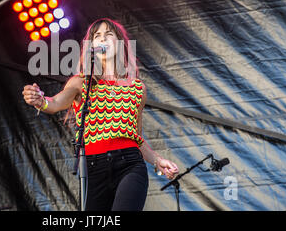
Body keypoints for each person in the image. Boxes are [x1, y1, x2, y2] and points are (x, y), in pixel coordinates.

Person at [23, 17, 179, 211]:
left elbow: (135, 137)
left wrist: (157, 160)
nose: (102, 39)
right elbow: (54, 103)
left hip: (130, 164)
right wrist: (40, 101)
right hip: (92, 167)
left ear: (120, 43)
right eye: (97, 36)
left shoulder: (137, 88)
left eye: (108, 35)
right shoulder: (81, 82)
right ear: (91, 47)